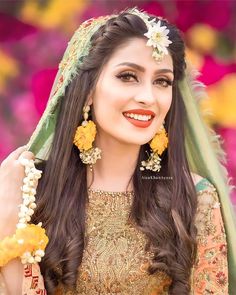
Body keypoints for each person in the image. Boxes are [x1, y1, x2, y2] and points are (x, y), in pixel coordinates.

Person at [0, 7, 235, 295]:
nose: (148, 97)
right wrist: (8, 215)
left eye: (162, 81)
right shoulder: (31, 191)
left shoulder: (193, 196)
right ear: (87, 89)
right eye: (127, 76)